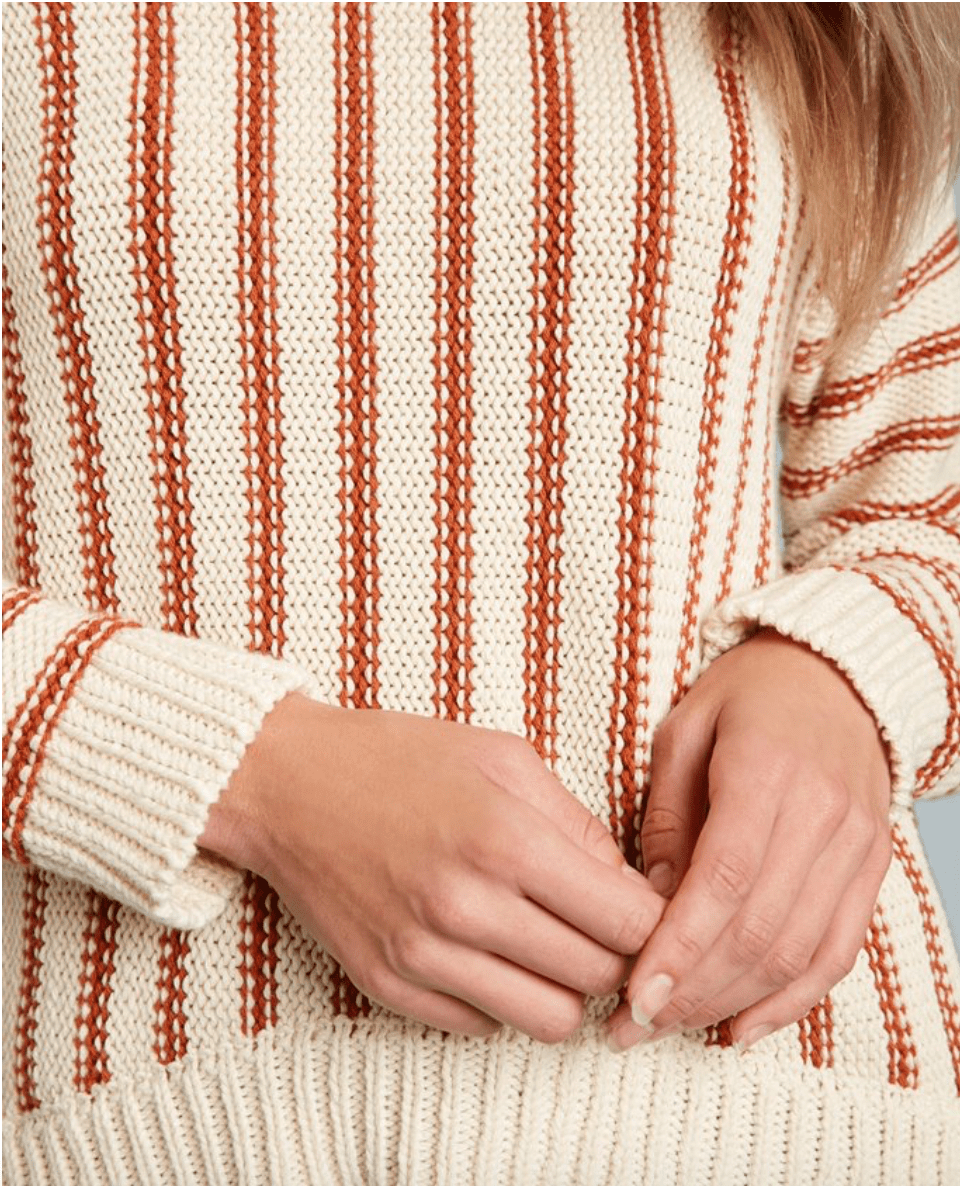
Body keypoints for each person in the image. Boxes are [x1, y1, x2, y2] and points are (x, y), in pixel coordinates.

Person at [3, 2, 959, 1182]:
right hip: (167, 1123)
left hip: (777, 1113)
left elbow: (932, 504)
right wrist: (259, 778)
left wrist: (843, 681)